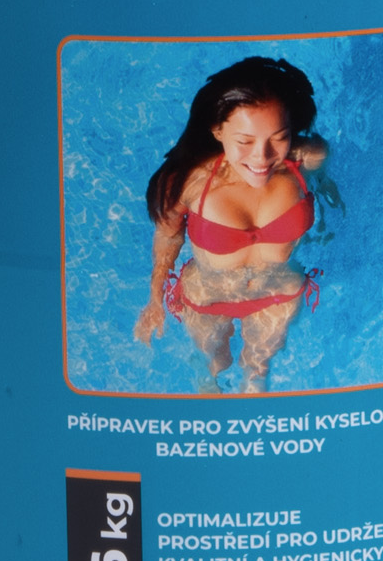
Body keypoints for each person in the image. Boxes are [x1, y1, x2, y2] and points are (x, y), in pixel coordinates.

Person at [133, 56, 327, 394]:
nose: (262, 157)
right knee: (213, 367)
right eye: (245, 141)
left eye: (278, 137)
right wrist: (154, 299)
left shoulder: (308, 160)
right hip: (207, 300)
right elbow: (167, 236)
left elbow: (324, 187)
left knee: (258, 374)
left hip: (278, 296)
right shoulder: (187, 184)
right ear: (218, 131)